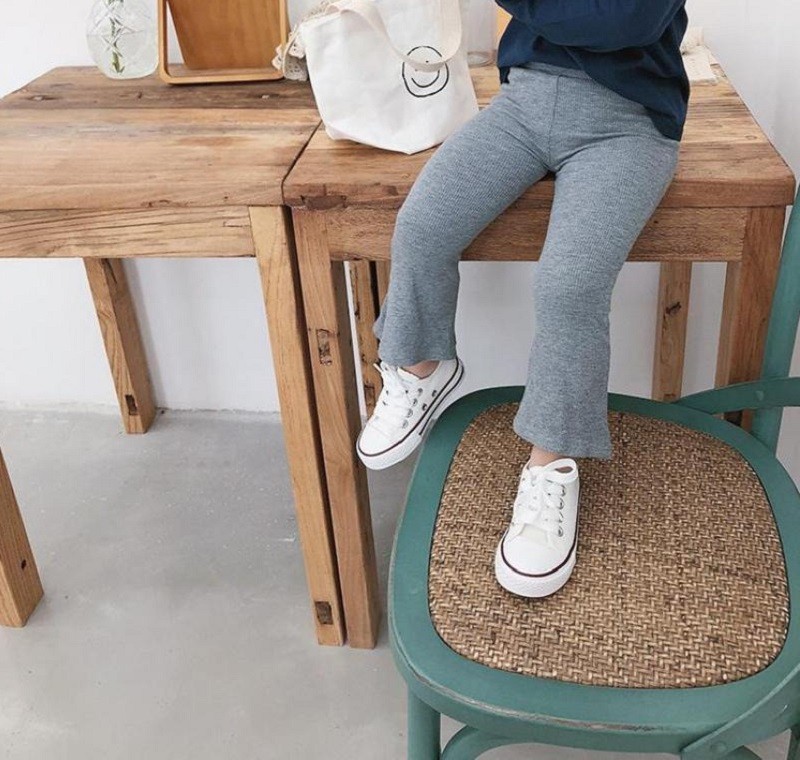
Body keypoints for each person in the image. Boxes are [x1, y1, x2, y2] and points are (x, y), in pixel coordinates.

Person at [356, 0, 690, 598]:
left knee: (570, 286)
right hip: (523, 104)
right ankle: (423, 365)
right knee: (422, 226)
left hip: (628, 123)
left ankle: (549, 467)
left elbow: (627, 23)